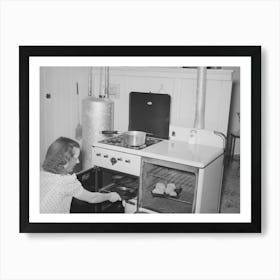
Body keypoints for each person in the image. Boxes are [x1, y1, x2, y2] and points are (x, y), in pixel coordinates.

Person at [40, 137, 121, 213]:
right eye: (75, 158)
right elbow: (92, 198)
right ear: (65, 161)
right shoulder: (66, 182)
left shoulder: (41, 173)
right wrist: (110, 196)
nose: (78, 161)